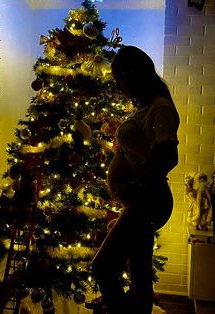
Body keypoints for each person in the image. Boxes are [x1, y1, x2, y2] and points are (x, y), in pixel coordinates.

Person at [92, 46, 180, 314]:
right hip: (142, 201)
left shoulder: (159, 107)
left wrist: (136, 185)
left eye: (120, 80)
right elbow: (141, 149)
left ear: (135, 75)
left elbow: (167, 155)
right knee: (138, 268)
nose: (119, 87)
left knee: (103, 266)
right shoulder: (144, 108)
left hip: (149, 200)